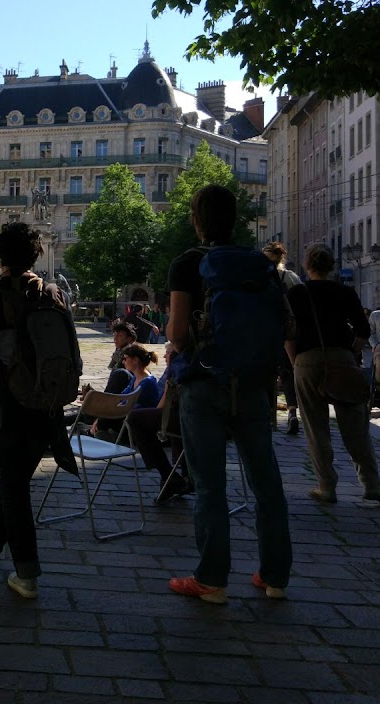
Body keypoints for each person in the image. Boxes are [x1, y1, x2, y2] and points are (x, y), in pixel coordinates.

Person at [167, 184, 292, 604]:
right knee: (266, 480)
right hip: (256, 384)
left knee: (209, 485)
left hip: (204, 384)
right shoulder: (261, 265)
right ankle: (275, 576)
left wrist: (177, 344)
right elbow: (285, 325)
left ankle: (212, 579)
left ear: (196, 219)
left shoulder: (188, 264)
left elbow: (179, 335)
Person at [0, 221, 76, 600]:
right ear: (36, 255)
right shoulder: (56, 294)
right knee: (14, 483)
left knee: (13, 486)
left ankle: (26, 573)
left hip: (3, 404)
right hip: (45, 402)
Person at [285, 242, 380, 504]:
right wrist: (351, 353)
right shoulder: (345, 292)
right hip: (342, 358)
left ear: (307, 266)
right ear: (332, 266)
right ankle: (371, 483)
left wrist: (295, 361)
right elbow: (363, 330)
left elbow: (288, 332)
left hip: (306, 359)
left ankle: (326, 486)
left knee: (316, 427)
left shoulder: (297, 293)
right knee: (355, 426)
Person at [126, 342, 191, 503]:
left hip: (183, 417)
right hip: (182, 416)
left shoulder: (176, 367)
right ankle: (176, 477)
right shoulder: (171, 368)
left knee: (136, 418)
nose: (164, 356)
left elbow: (165, 403)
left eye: (168, 353)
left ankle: (169, 476)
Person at [263, 241, 303, 434]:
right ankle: (292, 411)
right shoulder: (292, 278)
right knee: (288, 374)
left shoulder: (259, 278)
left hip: (266, 334)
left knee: (266, 374)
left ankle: (268, 413)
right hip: (288, 334)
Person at [88, 342, 161, 437]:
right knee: (92, 412)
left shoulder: (147, 382)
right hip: (128, 415)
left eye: (125, 358)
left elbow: (126, 406)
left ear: (135, 360)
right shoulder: (136, 378)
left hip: (136, 422)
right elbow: (122, 398)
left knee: (104, 418)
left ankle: (89, 432)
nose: (123, 362)